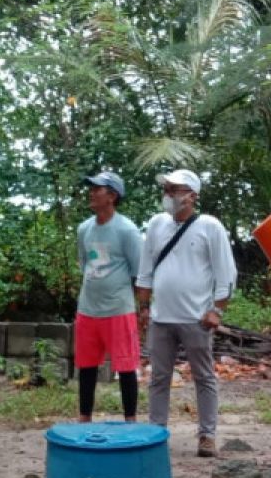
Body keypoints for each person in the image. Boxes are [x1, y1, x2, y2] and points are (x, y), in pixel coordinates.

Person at [136, 169, 236, 458]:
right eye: (166, 189)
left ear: (192, 196)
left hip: (196, 318)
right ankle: (156, 433)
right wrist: (143, 308)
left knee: (203, 376)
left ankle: (207, 435)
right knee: (159, 378)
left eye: (175, 189)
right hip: (161, 317)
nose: (168, 195)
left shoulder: (210, 226)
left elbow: (226, 274)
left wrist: (216, 310)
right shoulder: (156, 225)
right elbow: (145, 271)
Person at [73, 171, 142, 424]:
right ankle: (84, 418)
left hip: (118, 309)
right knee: (87, 366)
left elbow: (139, 271)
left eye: (97, 189)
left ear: (112, 196)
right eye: (91, 188)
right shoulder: (84, 229)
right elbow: (84, 264)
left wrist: (139, 307)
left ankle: (131, 420)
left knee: (125, 367)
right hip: (88, 308)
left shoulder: (127, 230)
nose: (91, 193)